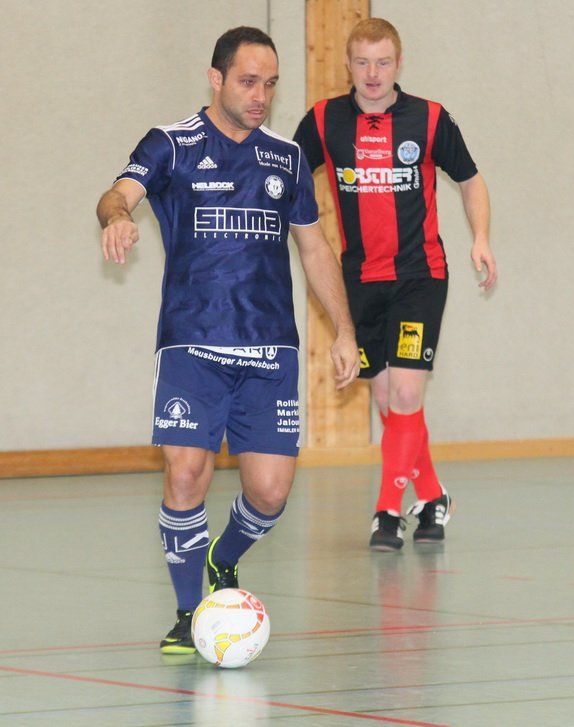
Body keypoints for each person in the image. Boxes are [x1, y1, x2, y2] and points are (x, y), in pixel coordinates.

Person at [96, 26, 359, 654]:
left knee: (269, 493)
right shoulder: (172, 144)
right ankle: (189, 612)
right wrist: (118, 218)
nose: (260, 95)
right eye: (247, 82)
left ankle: (224, 555)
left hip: (270, 348)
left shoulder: (285, 158)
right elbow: (117, 194)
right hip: (192, 342)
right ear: (216, 79)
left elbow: (314, 249)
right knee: (187, 474)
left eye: (270, 84)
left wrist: (344, 329)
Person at [294, 18, 497, 551]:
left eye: (383, 62)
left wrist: (480, 237)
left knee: (406, 391)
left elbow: (470, 180)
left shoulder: (429, 118)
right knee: (388, 401)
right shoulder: (323, 120)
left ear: (399, 63)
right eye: (362, 62)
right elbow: (286, 179)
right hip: (359, 282)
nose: (373, 73)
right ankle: (432, 496)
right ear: (347, 65)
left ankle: (387, 512)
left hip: (419, 276)